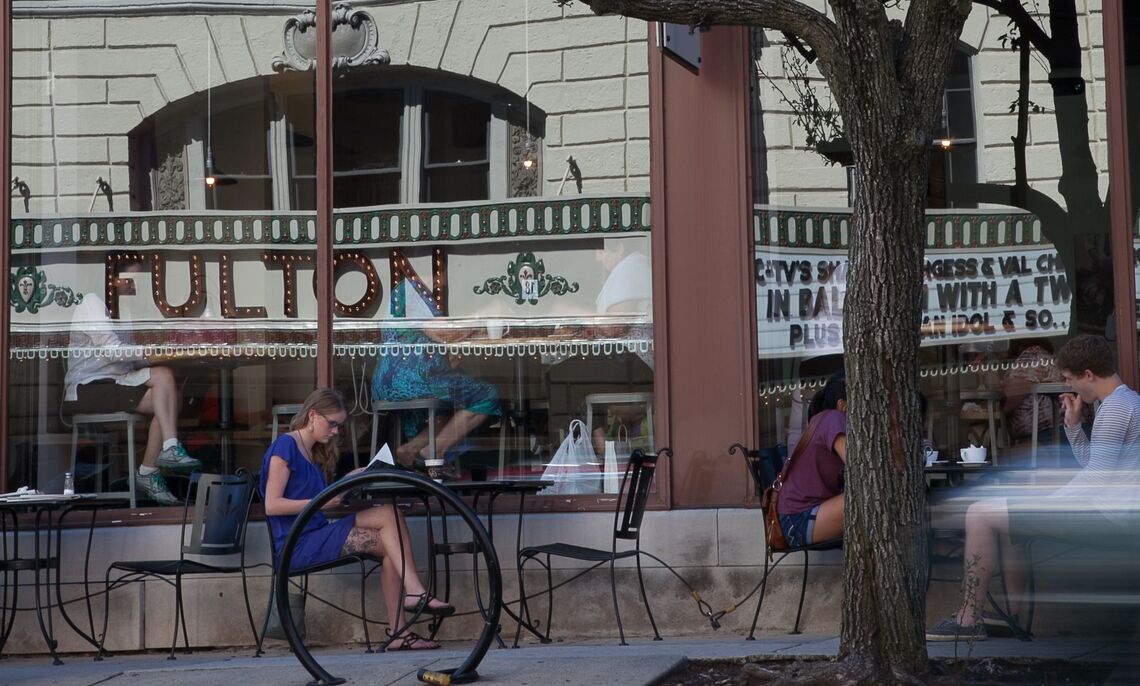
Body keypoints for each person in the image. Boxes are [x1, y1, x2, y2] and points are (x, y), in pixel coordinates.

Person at [927, 334, 1140, 641]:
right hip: (1112, 512)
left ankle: (967, 618)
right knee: (1006, 510)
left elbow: (1096, 478)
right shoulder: (1126, 401)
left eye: (1070, 379)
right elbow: (1095, 467)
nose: (1070, 387)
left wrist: (1048, 501)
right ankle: (1012, 617)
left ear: (1089, 374)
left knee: (978, 513)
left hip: (1108, 516)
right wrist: (1073, 426)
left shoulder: (1116, 408)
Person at [260, 388, 454, 650]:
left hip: (316, 532)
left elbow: (318, 505)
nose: (336, 432)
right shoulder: (286, 446)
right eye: (333, 424)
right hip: (296, 543)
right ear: (313, 415)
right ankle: (415, 594)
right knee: (389, 516)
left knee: (391, 533)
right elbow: (272, 506)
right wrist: (324, 500)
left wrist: (345, 483)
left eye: (339, 426)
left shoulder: (313, 453)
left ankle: (400, 631)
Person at [63, 260, 199, 505]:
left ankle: (155, 462)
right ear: (112, 278)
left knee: (168, 394)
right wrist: (150, 353)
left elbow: (130, 359)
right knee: (165, 391)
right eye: (130, 279)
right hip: (88, 386)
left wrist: (157, 354)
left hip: (117, 380)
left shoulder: (123, 311)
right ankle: (156, 464)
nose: (135, 286)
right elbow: (114, 352)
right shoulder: (93, 303)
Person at [371, 291, 500, 469]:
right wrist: (483, 316)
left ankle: (411, 448)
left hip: (385, 383)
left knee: (449, 407)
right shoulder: (410, 293)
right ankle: (434, 451)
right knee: (486, 395)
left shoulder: (405, 296)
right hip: (410, 381)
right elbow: (445, 334)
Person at [776, 371, 847, 547]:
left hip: (796, 517)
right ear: (842, 404)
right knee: (868, 500)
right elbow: (861, 467)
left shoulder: (822, 420)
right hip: (796, 522)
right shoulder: (835, 418)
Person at [1002, 337, 1064, 446]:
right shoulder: (1040, 356)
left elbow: (1008, 399)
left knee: (1004, 458)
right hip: (1053, 433)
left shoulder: (1032, 355)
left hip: (1051, 435)